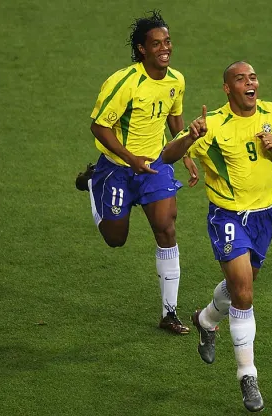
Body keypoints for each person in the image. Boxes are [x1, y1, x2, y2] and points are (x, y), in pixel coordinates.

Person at [162, 61, 272, 412]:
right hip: (227, 216)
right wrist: (190, 136)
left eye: (252, 77)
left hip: (265, 216)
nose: (250, 83)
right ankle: (247, 376)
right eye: (240, 79)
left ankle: (205, 320)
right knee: (244, 293)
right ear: (227, 89)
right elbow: (167, 154)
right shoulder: (213, 124)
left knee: (238, 288)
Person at [74, 10, 199, 335]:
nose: (164, 48)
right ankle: (92, 184)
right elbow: (99, 126)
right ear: (141, 49)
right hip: (117, 169)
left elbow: (174, 117)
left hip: (155, 166)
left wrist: (184, 151)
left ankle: (169, 313)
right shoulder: (124, 83)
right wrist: (129, 158)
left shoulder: (176, 80)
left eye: (167, 41)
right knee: (115, 239)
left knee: (166, 228)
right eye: (156, 43)